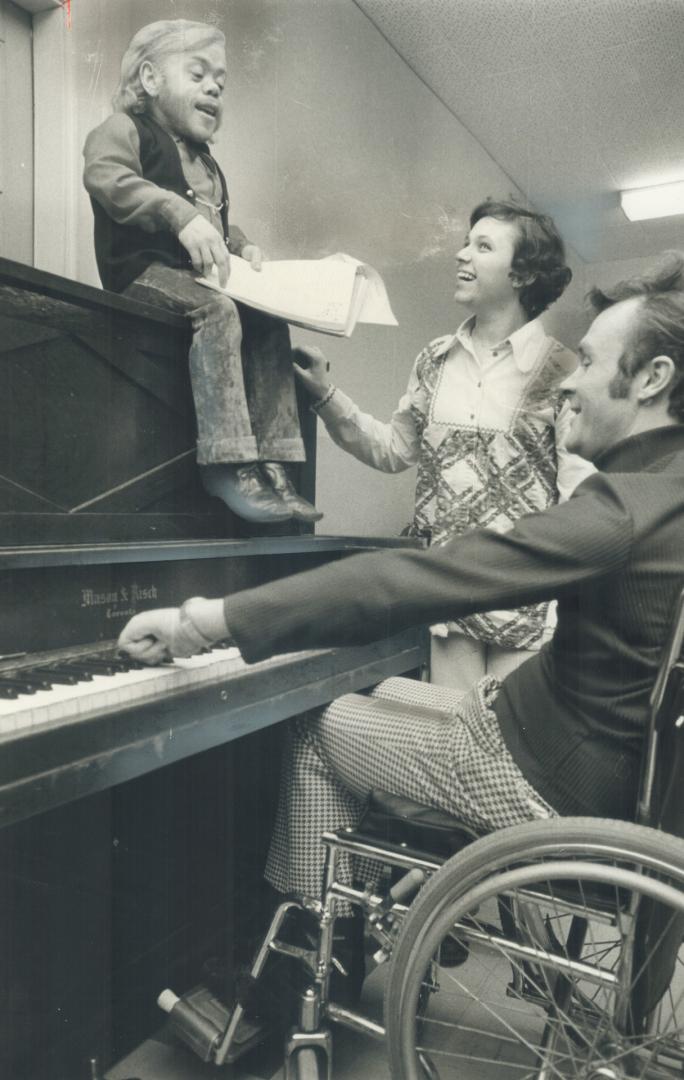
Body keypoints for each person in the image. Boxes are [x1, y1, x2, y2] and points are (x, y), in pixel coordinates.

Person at [119, 253, 684, 1003]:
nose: (572, 381)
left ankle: (307, 966)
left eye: (589, 360)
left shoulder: (628, 508)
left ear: (653, 379)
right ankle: (376, 908)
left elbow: (420, 578)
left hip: (543, 775)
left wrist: (212, 620)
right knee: (381, 689)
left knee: (315, 725)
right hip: (578, 748)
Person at [295, 200, 594, 692]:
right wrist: (326, 395)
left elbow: (581, 499)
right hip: (447, 593)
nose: (461, 255)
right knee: (449, 737)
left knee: (499, 748)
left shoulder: (561, 369)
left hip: (528, 597)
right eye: (465, 242)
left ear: (521, 275)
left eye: (482, 246)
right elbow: (393, 450)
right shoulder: (434, 359)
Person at [83, 19, 321, 525]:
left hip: (193, 279)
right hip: (141, 274)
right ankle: (228, 463)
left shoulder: (208, 165)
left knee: (265, 317)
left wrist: (245, 247)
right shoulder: (123, 130)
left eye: (221, 81)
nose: (214, 86)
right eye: (198, 74)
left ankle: (276, 463)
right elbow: (106, 176)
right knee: (216, 309)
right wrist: (177, 214)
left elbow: (216, 226)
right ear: (149, 79)